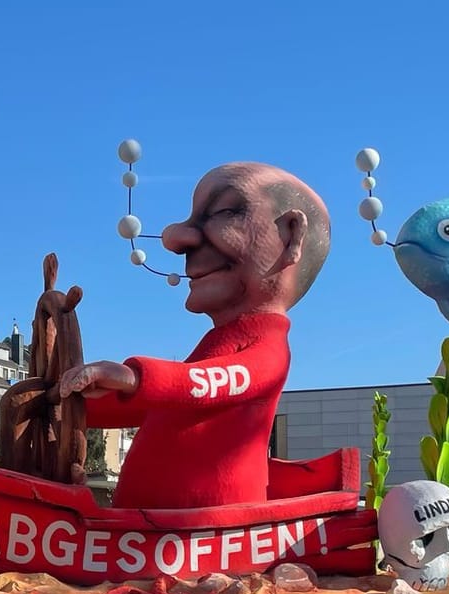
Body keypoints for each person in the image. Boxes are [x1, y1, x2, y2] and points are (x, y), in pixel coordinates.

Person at [57, 161, 330, 509]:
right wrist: (76, 405)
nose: (176, 238)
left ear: (291, 235)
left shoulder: (268, 350)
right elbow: (164, 403)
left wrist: (135, 377)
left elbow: (205, 383)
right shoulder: (216, 345)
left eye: (225, 211)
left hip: (199, 531)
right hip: (151, 530)